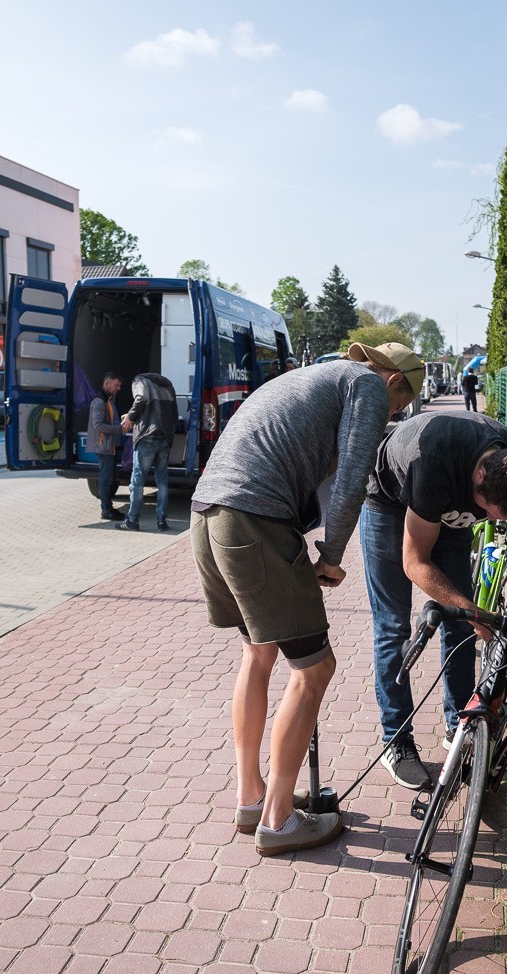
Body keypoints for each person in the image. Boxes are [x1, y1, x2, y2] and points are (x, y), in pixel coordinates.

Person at [190, 341, 423, 856]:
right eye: (397, 409)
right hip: (255, 519)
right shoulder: (364, 386)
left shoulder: (314, 377)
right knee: (314, 669)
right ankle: (278, 822)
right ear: (393, 383)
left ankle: (252, 797)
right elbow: (352, 480)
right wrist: (332, 555)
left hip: (208, 513)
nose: (392, 416)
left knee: (259, 651)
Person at [359, 411, 507, 790]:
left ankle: (459, 725)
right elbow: (414, 563)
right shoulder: (434, 460)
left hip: (445, 505)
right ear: (479, 477)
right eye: (484, 511)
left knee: (461, 624)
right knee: (394, 625)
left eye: (492, 517)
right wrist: (475, 613)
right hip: (389, 501)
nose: (483, 519)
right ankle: (396, 741)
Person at [117, 373, 178, 532]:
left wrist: (130, 416)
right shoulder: (168, 385)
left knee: (137, 482)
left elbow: (142, 398)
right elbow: (174, 415)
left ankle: (132, 520)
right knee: (162, 481)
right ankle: (161, 521)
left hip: (146, 437)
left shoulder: (140, 380)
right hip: (164, 438)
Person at [86, 371, 124, 521]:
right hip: (104, 446)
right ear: (107, 384)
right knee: (106, 478)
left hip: (110, 446)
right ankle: (106, 510)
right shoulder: (99, 402)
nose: (119, 388)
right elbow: (98, 426)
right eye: (116, 385)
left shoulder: (109, 400)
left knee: (109, 478)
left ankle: (108, 508)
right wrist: (119, 428)